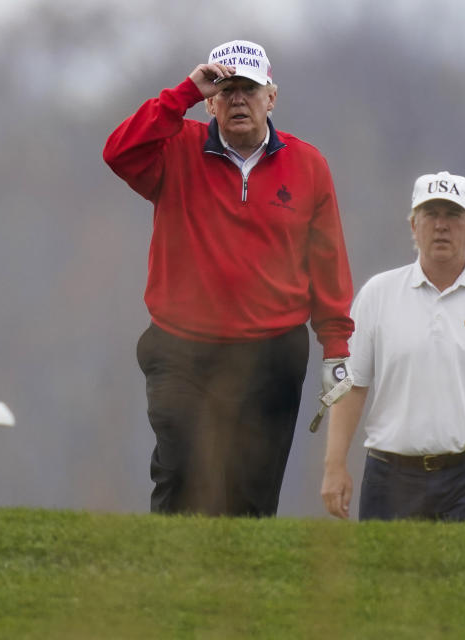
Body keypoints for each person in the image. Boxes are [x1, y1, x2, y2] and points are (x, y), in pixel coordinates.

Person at [104, 39, 355, 517]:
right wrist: (181, 94)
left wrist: (336, 346)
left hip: (271, 352)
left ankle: (241, 591)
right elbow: (118, 153)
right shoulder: (176, 149)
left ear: (271, 98)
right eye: (226, 89)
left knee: (250, 498)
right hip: (180, 349)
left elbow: (327, 262)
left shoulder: (308, 166)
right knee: (180, 478)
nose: (238, 99)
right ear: (211, 102)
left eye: (250, 89)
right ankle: (171, 586)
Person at [321, 171, 465, 523]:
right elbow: (352, 387)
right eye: (430, 214)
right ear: (414, 225)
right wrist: (334, 467)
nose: (441, 226)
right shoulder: (378, 295)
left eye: (453, 215)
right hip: (389, 475)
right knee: (384, 578)